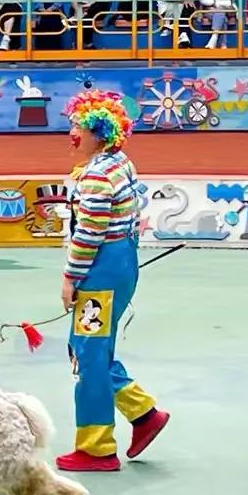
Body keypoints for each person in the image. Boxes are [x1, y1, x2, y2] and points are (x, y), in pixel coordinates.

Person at [57, 88, 170, 473]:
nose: (71, 133)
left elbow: (88, 232)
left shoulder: (95, 176)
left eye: (76, 126)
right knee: (92, 348)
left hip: (99, 272)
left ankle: (96, 448)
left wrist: (71, 277)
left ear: (97, 131)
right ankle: (143, 414)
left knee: (87, 355)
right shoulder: (119, 163)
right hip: (121, 265)